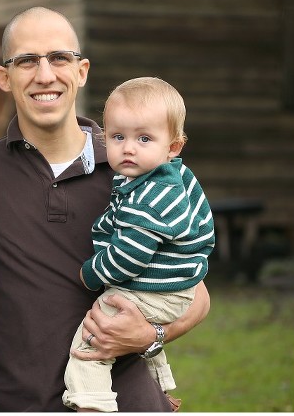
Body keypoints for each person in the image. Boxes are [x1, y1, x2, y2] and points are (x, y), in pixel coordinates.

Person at [0, 6, 211, 411]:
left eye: (59, 57)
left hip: (127, 401)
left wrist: (149, 335)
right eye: (26, 60)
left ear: (81, 71)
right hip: (21, 402)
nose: (45, 75)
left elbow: (196, 295)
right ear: (3, 77)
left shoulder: (137, 170)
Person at [62, 76, 215, 412]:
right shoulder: (162, 176)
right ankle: (161, 390)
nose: (128, 148)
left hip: (157, 289)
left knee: (92, 341)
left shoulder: (150, 196)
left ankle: (91, 404)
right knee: (124, 326)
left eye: (144, 138)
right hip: (173, 286)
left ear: (173, 146)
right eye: (118, 137)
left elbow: (130, 256)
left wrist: (91, 273)